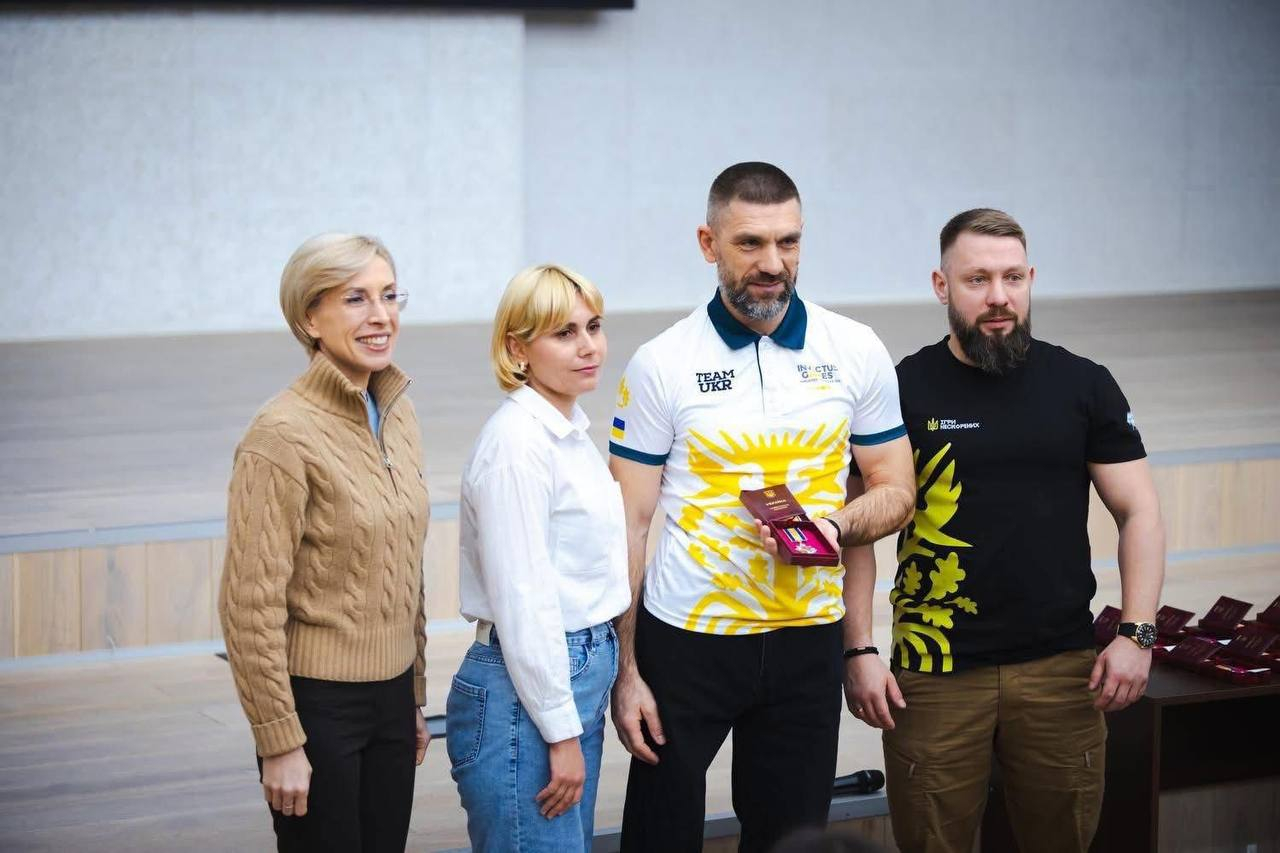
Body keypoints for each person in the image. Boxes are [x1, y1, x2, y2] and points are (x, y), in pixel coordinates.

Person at [608, 162, 916, 852]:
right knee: (659, 837)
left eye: (788, 241)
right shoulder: (662, 362)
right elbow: (628, 524)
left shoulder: (855, 349)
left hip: (808, 639)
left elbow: (895, 489)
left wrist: (834, 525)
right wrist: (626, 673)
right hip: (686, 639)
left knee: (792, 841)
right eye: (750, 242)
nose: (773, 263)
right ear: (707, 243)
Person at [843, 208, 1165, 853]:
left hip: (1062, 669)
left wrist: (1137, 633)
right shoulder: (901, 389)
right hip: (933, 672)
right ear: (941, 286)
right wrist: (858, 650)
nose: (998, 297)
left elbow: (1140, 512)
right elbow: (858, 532)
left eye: (1012, 278)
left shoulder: (1082, 384)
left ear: (1031, 279)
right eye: (977, 279)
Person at [218, 233, 431, 853]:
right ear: (309, 318)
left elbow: (405, 565)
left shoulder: (397, 411)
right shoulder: (279, 435)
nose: (381, 315)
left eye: (389, 295)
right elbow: (249, 605)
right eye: (356, 299)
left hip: (392, 698)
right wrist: (279, 740)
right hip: (318, 708)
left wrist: (413, 696)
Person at [446, 264, 629, 852]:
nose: (588, 346)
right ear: (516, 349)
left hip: (568, 678)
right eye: (564, 333)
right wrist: (560, 734)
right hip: (525, 693)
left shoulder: (566, 431)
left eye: (593, 326)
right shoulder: (517, 445)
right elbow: (523, 601)